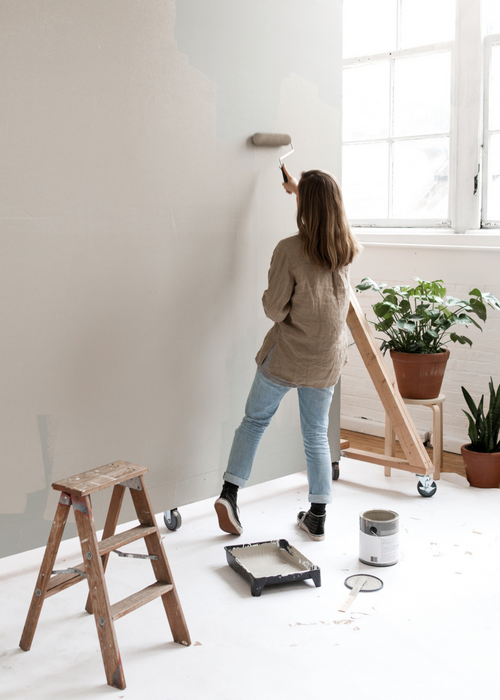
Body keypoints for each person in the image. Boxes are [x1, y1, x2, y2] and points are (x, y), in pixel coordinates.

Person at [214, 166, 361, 541]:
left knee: (254, 421)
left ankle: (229, 495)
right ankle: (317, 514)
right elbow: (321, 204)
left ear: (304, 207)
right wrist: (299, 188)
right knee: (315, 433)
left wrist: (269, 294)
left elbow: (274, 310)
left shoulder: (288, 250)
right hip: (326, 359)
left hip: (288, 356)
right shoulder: (344, 247)